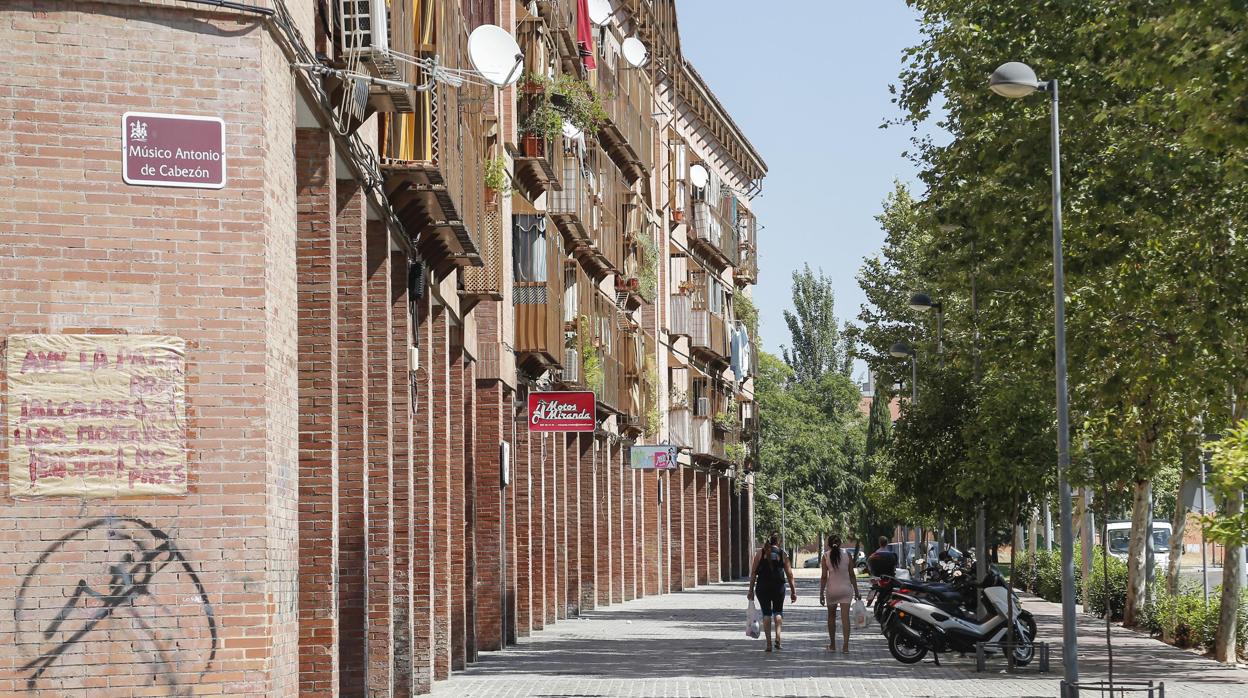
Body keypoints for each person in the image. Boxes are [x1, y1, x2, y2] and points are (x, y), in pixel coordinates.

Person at [747, 532, 796, 652]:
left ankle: (769, 644)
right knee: (778, 612)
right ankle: (778, 638)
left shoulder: (760, 553)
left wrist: (751, 590)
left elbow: (753, 573)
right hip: (778, 587)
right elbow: (790, 575)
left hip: (762, 587)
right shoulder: (782, 554)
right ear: (779, 542)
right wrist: (793, 591)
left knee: (766, 614)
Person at [819, 534, 861, 653]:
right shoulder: (847, 554)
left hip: (832, 590)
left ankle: (832, 645)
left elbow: (823, 577)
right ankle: (846, 646)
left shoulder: (826, 556)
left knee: (831, 617)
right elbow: (852, 575)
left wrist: (821, 593)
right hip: (846, 590)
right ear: (840, 543)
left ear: (829, 544)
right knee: (845, 618)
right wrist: (857, 591)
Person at [865, 536, 898, 607]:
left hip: (877, 578)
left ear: (879, 543)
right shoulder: (892, 555)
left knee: (874, 587)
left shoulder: (873, 556)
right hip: (889, 579)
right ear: (887, 543)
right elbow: (894, 567)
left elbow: (869, 567)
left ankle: (870, 601)